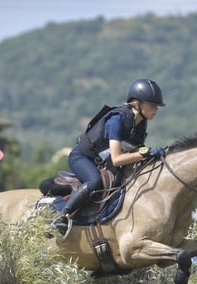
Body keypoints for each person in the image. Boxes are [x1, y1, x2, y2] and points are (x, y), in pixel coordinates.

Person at [52, 77, 167, 235]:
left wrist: (151, 154)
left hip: (104, 163)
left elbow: (134, 151)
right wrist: (145, 152)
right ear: (137, 103)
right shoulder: (117, 120)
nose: (156, 109)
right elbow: (117, 159)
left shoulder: (140, 124)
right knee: (95, 181)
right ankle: (62, 216)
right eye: (152, 105)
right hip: (82, 158)